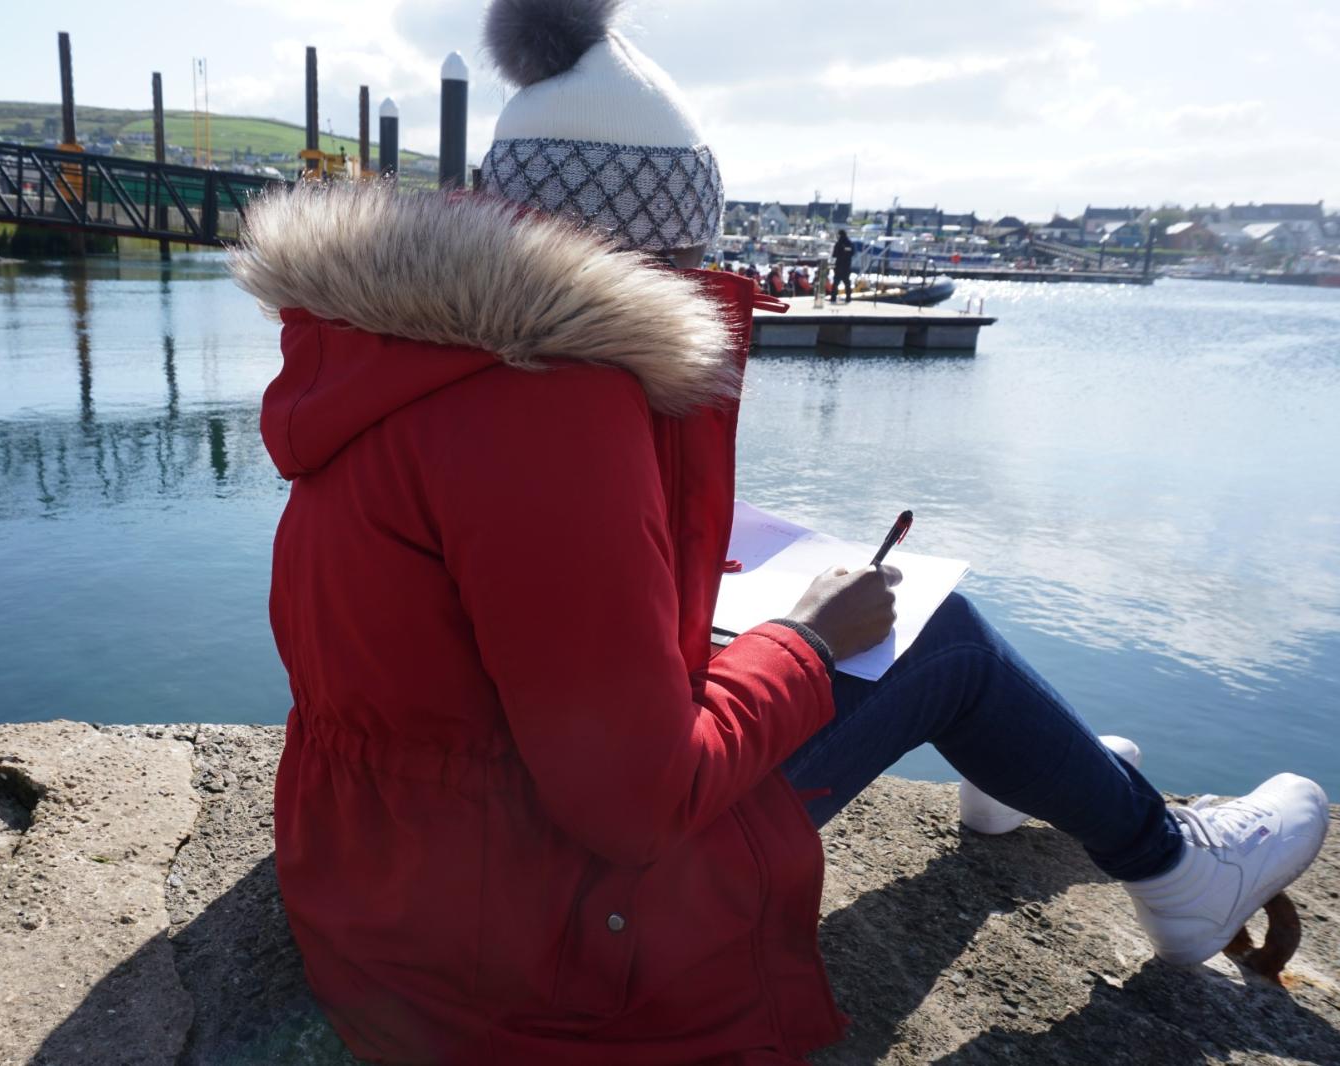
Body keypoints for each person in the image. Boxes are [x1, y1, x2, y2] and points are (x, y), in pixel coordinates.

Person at [232, 2, 1329, 1064]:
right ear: (648, 264)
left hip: (397, 873)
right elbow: (633, 803)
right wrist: (804, 639)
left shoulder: (394, 354)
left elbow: (471, 634)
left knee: (885, 642)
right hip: (526, 937)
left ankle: (1044, 765)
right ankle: (1176, 870)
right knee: (937, 637)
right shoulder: (550, 406)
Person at [831, 227, 855, 303]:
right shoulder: (850, 243)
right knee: (847, 283)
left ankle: (833, 298)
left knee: (836, 283)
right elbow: (852, 253)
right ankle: (848, 298)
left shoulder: (838, 244)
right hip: (847, 266)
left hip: (838, 266)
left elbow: (834, 255)